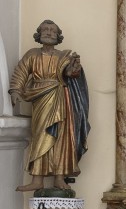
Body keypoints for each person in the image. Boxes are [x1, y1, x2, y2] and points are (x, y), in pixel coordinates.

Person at [9, 20, 90, 193]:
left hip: (61, 99)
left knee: (61, 138)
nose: (48, 32)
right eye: (45, 30)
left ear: (58, 35)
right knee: (40, 137)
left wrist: (75, 67)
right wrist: (15, 90)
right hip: (41, 100)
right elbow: (20, 72)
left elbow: (70, 74)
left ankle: (59, 178)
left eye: (53, 30)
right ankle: (37, 179)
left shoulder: (64, 56)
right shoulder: (32, 54)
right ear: (39, 34)